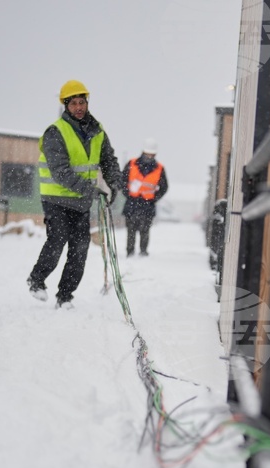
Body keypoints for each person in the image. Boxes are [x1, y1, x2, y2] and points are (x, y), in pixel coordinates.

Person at [27, 79, 123, 308]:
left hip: (80, 202)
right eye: (74, 104)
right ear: (65, 106)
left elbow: (108, 161)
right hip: (56, 199)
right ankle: (36, 280)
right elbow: (60, 172)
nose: (79, 107)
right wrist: (91, 190)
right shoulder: (55, 132)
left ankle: (65, 296)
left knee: (80, 249)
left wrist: (114, 184)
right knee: (58, 239)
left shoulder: (97, 131)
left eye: (82, 102)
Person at [121, 138, 168, 257]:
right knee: (131, 230)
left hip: (148, 204)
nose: (149, 156)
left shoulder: (159, 168)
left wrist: (154, 197)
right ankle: (130, 251)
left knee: (144, 230)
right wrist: (127, 193)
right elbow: (122, 180)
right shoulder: (131, 164)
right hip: (132, 202)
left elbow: (164, 187)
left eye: (152, 154)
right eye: (148, 154)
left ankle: (143, 251)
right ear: (143, 152)